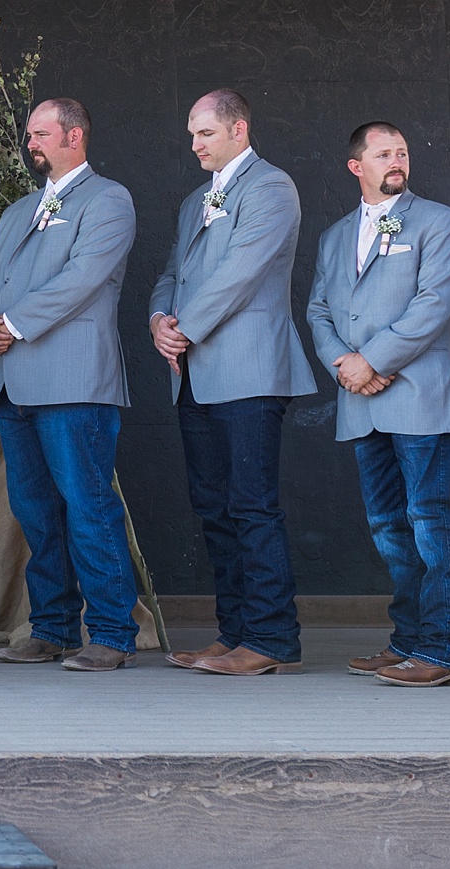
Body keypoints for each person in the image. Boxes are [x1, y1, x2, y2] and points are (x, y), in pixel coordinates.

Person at [0, 98, 139, 673]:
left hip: (72, 383)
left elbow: (82, 278)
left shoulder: (108, 199)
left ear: (75, 136)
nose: (31, 142)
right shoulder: (18, 210)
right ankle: (53, 628)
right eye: (30, 134)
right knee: (36, 510)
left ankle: (112, 633)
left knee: (88, 505)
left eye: (41, 133)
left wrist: (10, 325)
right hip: (12, 384)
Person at [306, 122, 450, 688]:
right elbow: (317, 312)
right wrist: (344, 365)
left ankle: (447, 648)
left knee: (430, 520)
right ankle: (409, 640)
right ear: (356, 165)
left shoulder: (438, 221)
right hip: (361, 400)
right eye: (383, 153)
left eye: (402, 151)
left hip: (421, 396)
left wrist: (373, 362)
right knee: (387, 527)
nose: (397, 159)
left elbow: (434, 304)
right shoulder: (334, 236)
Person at [150, 89, 317, 677]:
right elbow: (173, 272)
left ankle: (272, 639)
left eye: (204, 134)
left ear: (238, 129)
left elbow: (240, 272)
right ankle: (236, 631)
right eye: (192, 134)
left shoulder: (271, 187)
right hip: (193, 374)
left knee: (252, 505)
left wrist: (184, 329)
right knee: (214, 508)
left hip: (248, 369)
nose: (193, 144)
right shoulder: (198, 197)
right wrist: (159, 322)